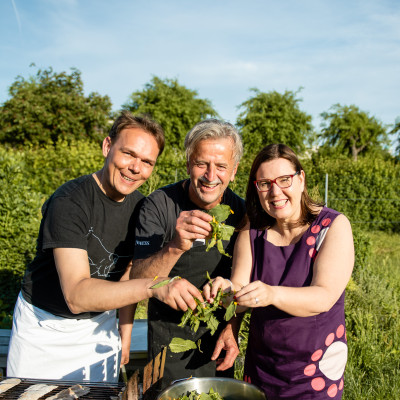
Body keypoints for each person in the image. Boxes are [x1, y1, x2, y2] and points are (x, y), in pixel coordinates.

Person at [7, 111, 204, 383]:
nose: (136, 167)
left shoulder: (140, 208)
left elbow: (128, 270)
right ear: (107, 146)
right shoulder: (70, 202)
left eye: (147, 162)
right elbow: (76, 295)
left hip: (101, 326)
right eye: (128, 154)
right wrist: (156, 286)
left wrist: (124, 330)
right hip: (45, 329)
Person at [204, 143, 354, 400]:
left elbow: (324, 296)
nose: (275, 192)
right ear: (256, 189)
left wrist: (271, 294)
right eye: (265, 183)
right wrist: (224, 290)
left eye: (284, 180)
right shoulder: (253, 230)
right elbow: (239, 287)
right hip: (263, 366)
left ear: (301, 179)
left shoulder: (332, 227)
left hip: (316, 371)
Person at [131, 119, 246, 389]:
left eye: (221, 166)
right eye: (201, 164)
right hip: (165, 339)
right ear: (187, 164)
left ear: (234, 171)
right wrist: (176, 245)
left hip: (219, 341)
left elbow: (243, 280)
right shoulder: (158, 205)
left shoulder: (241, 213)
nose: (210, 175)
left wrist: (232, 328)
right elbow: (137, 277)